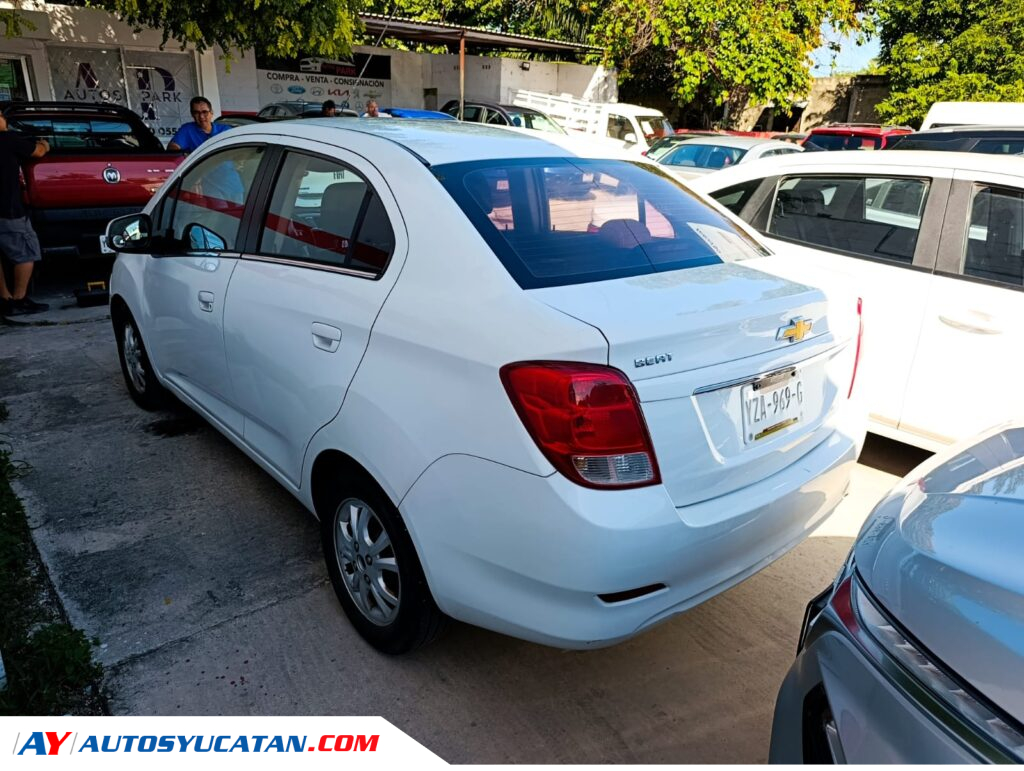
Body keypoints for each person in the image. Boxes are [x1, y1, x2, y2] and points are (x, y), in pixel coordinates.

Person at [0, 113, 50, 316]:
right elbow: (38, 152)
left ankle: (5, 299)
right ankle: (19, 299)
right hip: (8, 209)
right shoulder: (7, 139)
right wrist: (44, 143)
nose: (4, 119)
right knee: (26, 252)